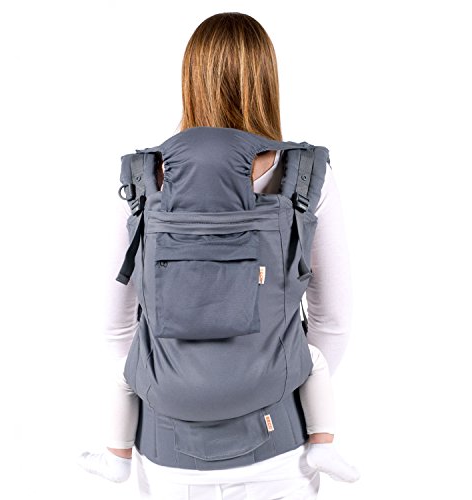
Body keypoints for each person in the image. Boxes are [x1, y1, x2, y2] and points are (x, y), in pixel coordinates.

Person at [78, 12, 358, 499]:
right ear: (267, 79)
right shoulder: (306, 175)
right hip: (279, 451)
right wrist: (265, 383)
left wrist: (177, 388)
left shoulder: (141, 180)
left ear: (190, 79)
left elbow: (113, 326)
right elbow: (333, 322)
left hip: (167, 457)